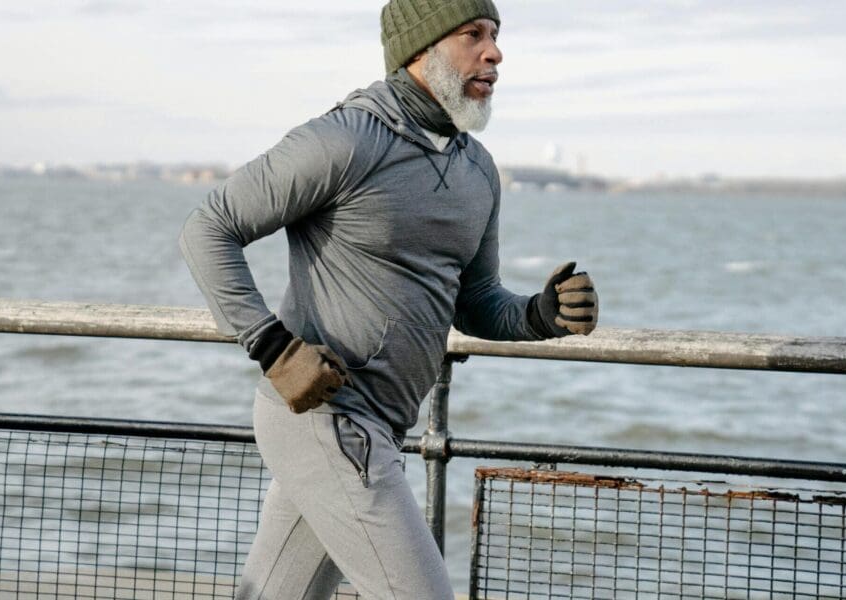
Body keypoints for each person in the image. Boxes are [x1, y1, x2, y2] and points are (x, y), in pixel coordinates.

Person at [178, 1, 598, 597]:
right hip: (327, 421)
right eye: (473, 35)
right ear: (418, 49)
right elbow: (208, 228)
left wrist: (540, 315)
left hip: (380, 426)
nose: (495, 52)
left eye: (497, 35)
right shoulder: (345, 139)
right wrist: (272, 346)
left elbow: (475, 300)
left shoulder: (478, 170)